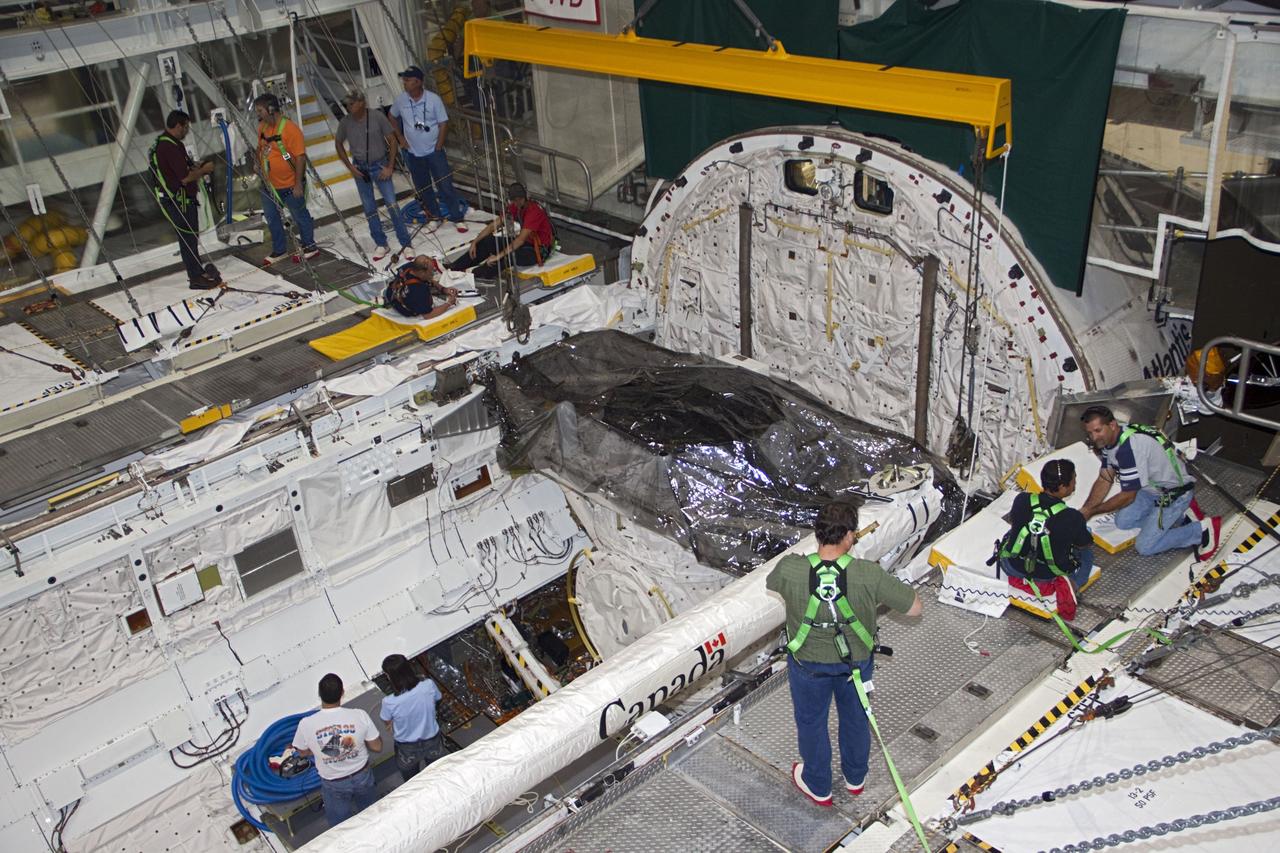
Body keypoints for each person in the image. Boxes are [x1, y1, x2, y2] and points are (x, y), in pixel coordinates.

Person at [766, 500, 922, 807]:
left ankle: (818, 784)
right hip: (855, 666)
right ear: (850, 535)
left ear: (817, 533)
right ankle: (855, 777)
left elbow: (773, 583)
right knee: (855, 719)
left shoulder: (791, 568)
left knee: (812, 723)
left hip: (808, 665)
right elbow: (915, 608)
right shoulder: (868, 573)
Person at [1079, 406, 1221, 558]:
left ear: (1112, 425)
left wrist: (1093, 511)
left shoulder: (1128, 448)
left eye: (1098, 430)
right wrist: (1086, 509)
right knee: (1123, 522)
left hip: (1174, 493)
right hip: (1150, 490)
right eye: (1090, 433)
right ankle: (1179, 516)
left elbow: (1128, 496)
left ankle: (1201, 530)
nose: (1094, 437)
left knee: (1145, 546)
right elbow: (1105, 478)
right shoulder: (1111, 440)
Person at [290, 673, 382, 828]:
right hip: (362, 775)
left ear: (319, 695)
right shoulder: (359, 715)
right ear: (342, 692)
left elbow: (302, 752)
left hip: (334, 783)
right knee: (371, 813)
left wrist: (319, 750)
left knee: (339, 823)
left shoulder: (306, 724)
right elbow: (377, 746)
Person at [335, 90, 413, 262]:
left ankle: (406, 244)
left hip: (379, 165)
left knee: (392, 204)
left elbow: (392, 140)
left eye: (352, 104)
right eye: (347, 104)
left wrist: (390, 166)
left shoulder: (377, 117)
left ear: (361, 103)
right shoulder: (345, 122)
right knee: (369, 208)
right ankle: (380, 243)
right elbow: (338, 143)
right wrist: (350, 167)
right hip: (360, 168)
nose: (349, 107)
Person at [998, 458, 1095, 593]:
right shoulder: (1072, 517)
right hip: (1046, 577)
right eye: (1074, 480)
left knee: (1013, 532)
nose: (1075, 483)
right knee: (1087, 551)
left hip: (1012, 567)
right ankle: (1075, 585)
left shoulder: (1022, 499)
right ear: (1062, 487)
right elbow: (1084, 546)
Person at [149, 110, 221, 289]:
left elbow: (185, 167)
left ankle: (197, 270)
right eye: (186, 126)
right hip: (179, 201)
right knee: (187, 238)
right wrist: (203, 171)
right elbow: (184, 178)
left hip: (182, 199)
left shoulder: (172, 143)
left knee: (191, 238)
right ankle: (195, 276)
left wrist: (199, 166)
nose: (187, 130)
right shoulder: (168, 147)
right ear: (179, 125)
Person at [390, 66, 468, 223]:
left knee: (445, 186)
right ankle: (434, 215)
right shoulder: (401, 100)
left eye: (408, 80)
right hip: (413, 154)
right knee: (423, 188)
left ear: (418, 82)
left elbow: (443, 124)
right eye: (403, 80)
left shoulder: (433, 100)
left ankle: (457, 217)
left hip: (434, 152)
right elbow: (391, 116)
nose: (404, 83)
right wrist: (400, 138)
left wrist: (438, 146)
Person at [255, 93, 318, 267]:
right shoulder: (262, 128)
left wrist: (298, 183)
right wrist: (257, 163)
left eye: (260, 110)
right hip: (269, 185)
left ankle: (310, 246)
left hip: (290, 185)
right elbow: (259, 147)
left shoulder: (291, 130)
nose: (258, 114)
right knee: (272, 217)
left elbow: (300, 158)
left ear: (271, 109)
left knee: (300, 215)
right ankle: (279, 249)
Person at [447, 183, 554, 280]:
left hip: (538, 250)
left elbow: (520, 240)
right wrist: (475, 241)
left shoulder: (533, 211)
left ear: (524, 198)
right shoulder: (515, 206)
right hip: (526, 242)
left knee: (508, 256)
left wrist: (498, 256)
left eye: (519, 199)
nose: (517, 202)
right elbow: (494, 225)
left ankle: (475, 274)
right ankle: (455, 267)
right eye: (514, 200)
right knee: (487, 241)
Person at [379, 654, 447, 782]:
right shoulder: (428, 685)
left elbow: (387, 720)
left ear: (390, 676)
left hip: (407, 748)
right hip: (432, 739)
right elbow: (438, 699)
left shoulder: (389, 702)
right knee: (440, 774)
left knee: (412, 782)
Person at [384, 255, 458, 319]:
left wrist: (443, 289)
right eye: (431, 271)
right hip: (400, 304)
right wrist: (449, 303)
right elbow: (428, 315)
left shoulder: (410, 266)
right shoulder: (419, 291)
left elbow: (428, 279)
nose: (433, 273)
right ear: (422, 272)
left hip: (391, 290)